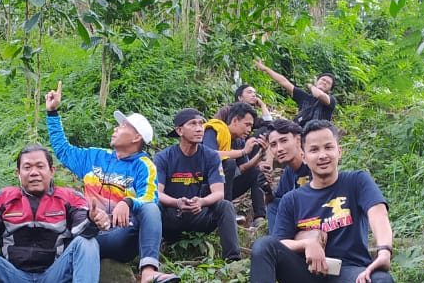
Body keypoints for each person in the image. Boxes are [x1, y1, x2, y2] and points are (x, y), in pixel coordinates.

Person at [44, 82, 179, 283]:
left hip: (121, 236)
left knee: (151, 209)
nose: (116, 128)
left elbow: (150, 197)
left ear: (137, 137)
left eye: (123, 126)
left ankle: (149, 273)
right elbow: (63, 150)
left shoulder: (144, 165)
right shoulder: (95, 156)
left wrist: (128, 202)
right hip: (90, 234)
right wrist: (52, 112)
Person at [250, 120, 395, 283]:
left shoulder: (357, 181)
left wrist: (384, 251)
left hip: (350, 271)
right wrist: (306, 244)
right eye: (314, 150)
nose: (322, 155)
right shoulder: (291, 199)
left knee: (381, 280)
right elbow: (280, 243)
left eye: (328, 147)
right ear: (304, 157)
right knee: (263, 245)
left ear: (339, 151)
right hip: (306, 272)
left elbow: (378, 214)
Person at [0, 145, 101, 283]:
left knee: (87, 243)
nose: (34, 173)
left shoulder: (70, 197)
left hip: (55, 275)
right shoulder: (2, 197)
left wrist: (91, 219)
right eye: (27, 167)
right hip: (11, 275)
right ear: (18, 173)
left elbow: (81, 228)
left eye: (40, 166)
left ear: (52, 171)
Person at [155, 108, 241, 261]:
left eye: (201, 124)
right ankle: (149, 259)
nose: (199, 128)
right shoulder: (163, 157)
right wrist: (177, 203)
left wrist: (202, 202)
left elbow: (219, 192)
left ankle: (233, 259)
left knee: (225, 206)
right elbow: (157, 193)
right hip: (171, 216)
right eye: (193, 124)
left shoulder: (211, 156)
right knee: (152, 206)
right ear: (179, 130)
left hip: (199, 215)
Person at [203, 102, 267, 227]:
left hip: (225, 187)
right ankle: (226, 212)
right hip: (204, 186)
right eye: (247, 125)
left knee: (256, 171)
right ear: (235, 121)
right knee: (229, 162)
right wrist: (243, 152)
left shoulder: (238, 141)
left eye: (251, 126)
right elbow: (209, 155)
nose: (249, 130)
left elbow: (242, 169)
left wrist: (260, 156)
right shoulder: (214, 130)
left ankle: (259, 217)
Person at [254, 59, 337, 127]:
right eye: (323, 79)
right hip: (300, 132)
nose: (324, 82)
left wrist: (311, 86)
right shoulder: (304, 97)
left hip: (318, 134)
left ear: (330, 90)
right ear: (317, 81)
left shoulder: (331, 100)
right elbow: (284, 82)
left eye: (328, 83)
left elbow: (319, 95)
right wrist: (266, 69)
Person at [264, 119, 310, 234]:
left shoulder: (312, 164)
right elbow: (275, 203)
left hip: (318, 220)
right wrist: (267, 189)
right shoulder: (289, 172)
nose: (279, 149)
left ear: (298, 140)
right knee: (274, 205)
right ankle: (277, 241)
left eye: (284, 141)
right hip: (297, 220)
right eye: (273, 145)